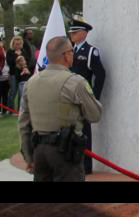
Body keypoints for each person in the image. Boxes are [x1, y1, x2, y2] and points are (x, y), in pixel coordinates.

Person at [18, 35, 103, 181]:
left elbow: (23, 123)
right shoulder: (75, 82)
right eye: (71, 51)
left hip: (39, 151)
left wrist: (28, 156)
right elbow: (95, 115)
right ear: (65, 55)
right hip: (65, 152)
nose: (73, 54)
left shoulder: (30, 83)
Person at [68, 17, 106, 176]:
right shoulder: (69, 50)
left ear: (84, 34)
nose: (72, 35)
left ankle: (86, 165)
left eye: (75, 33)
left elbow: (100, 74)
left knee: (84, 131)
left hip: (83, 96)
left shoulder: (90, 51)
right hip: (68, 96)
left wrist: (94, 97)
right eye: (71, 33)